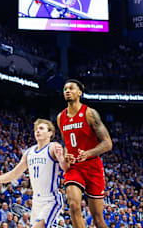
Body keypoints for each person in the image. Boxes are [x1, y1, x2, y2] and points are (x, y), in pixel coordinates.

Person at [0, 119, 68, 228]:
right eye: (36, 129)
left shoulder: (53, 146)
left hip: (50, 199)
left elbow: (65, 168)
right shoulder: (29, 152)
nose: (38, 131)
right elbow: (14, 174)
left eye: (41, 128)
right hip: (36, 200)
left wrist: (62, 158)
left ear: (50, 133)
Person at [57, 79, 113, 228]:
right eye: (65, 89)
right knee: (74, 205)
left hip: (92, 166)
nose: (67, 91)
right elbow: (67, 144)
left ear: (80, 93)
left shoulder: (89, 113)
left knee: (98, 219)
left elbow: (107, 143)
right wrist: (66, 155)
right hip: (74, 167)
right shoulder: (60, 117)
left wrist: (89, 153)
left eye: (71, 88)